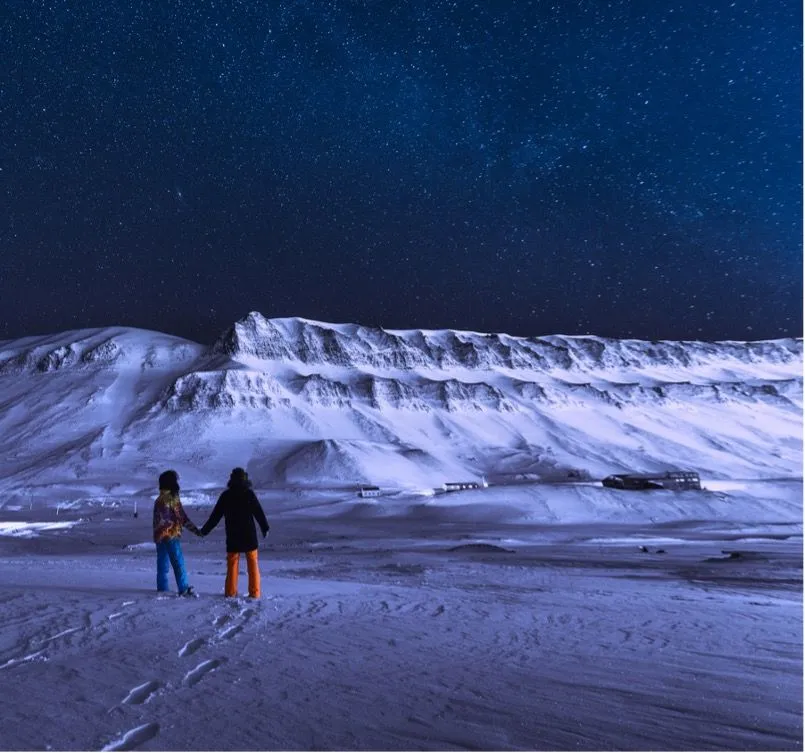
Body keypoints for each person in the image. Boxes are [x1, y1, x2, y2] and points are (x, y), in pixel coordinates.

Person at [199, 467, 270, 598]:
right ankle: (255, 593)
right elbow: (258, 513)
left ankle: (230, 592)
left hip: (233, 536)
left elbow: (215, 516)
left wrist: (204, 531)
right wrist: (265, 527)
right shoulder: (249, 494)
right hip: (249, 535)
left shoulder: (226, 496)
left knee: (232, 564)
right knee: (253, 563)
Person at [153, 469, 201, 596]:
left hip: (159, 536)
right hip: (171, 535)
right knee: (178, 562)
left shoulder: (158, 499)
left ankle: (162, 588)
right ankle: (183, 588)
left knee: (162, 564)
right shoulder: (172, 498)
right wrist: (196, 531)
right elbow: (182, 517)